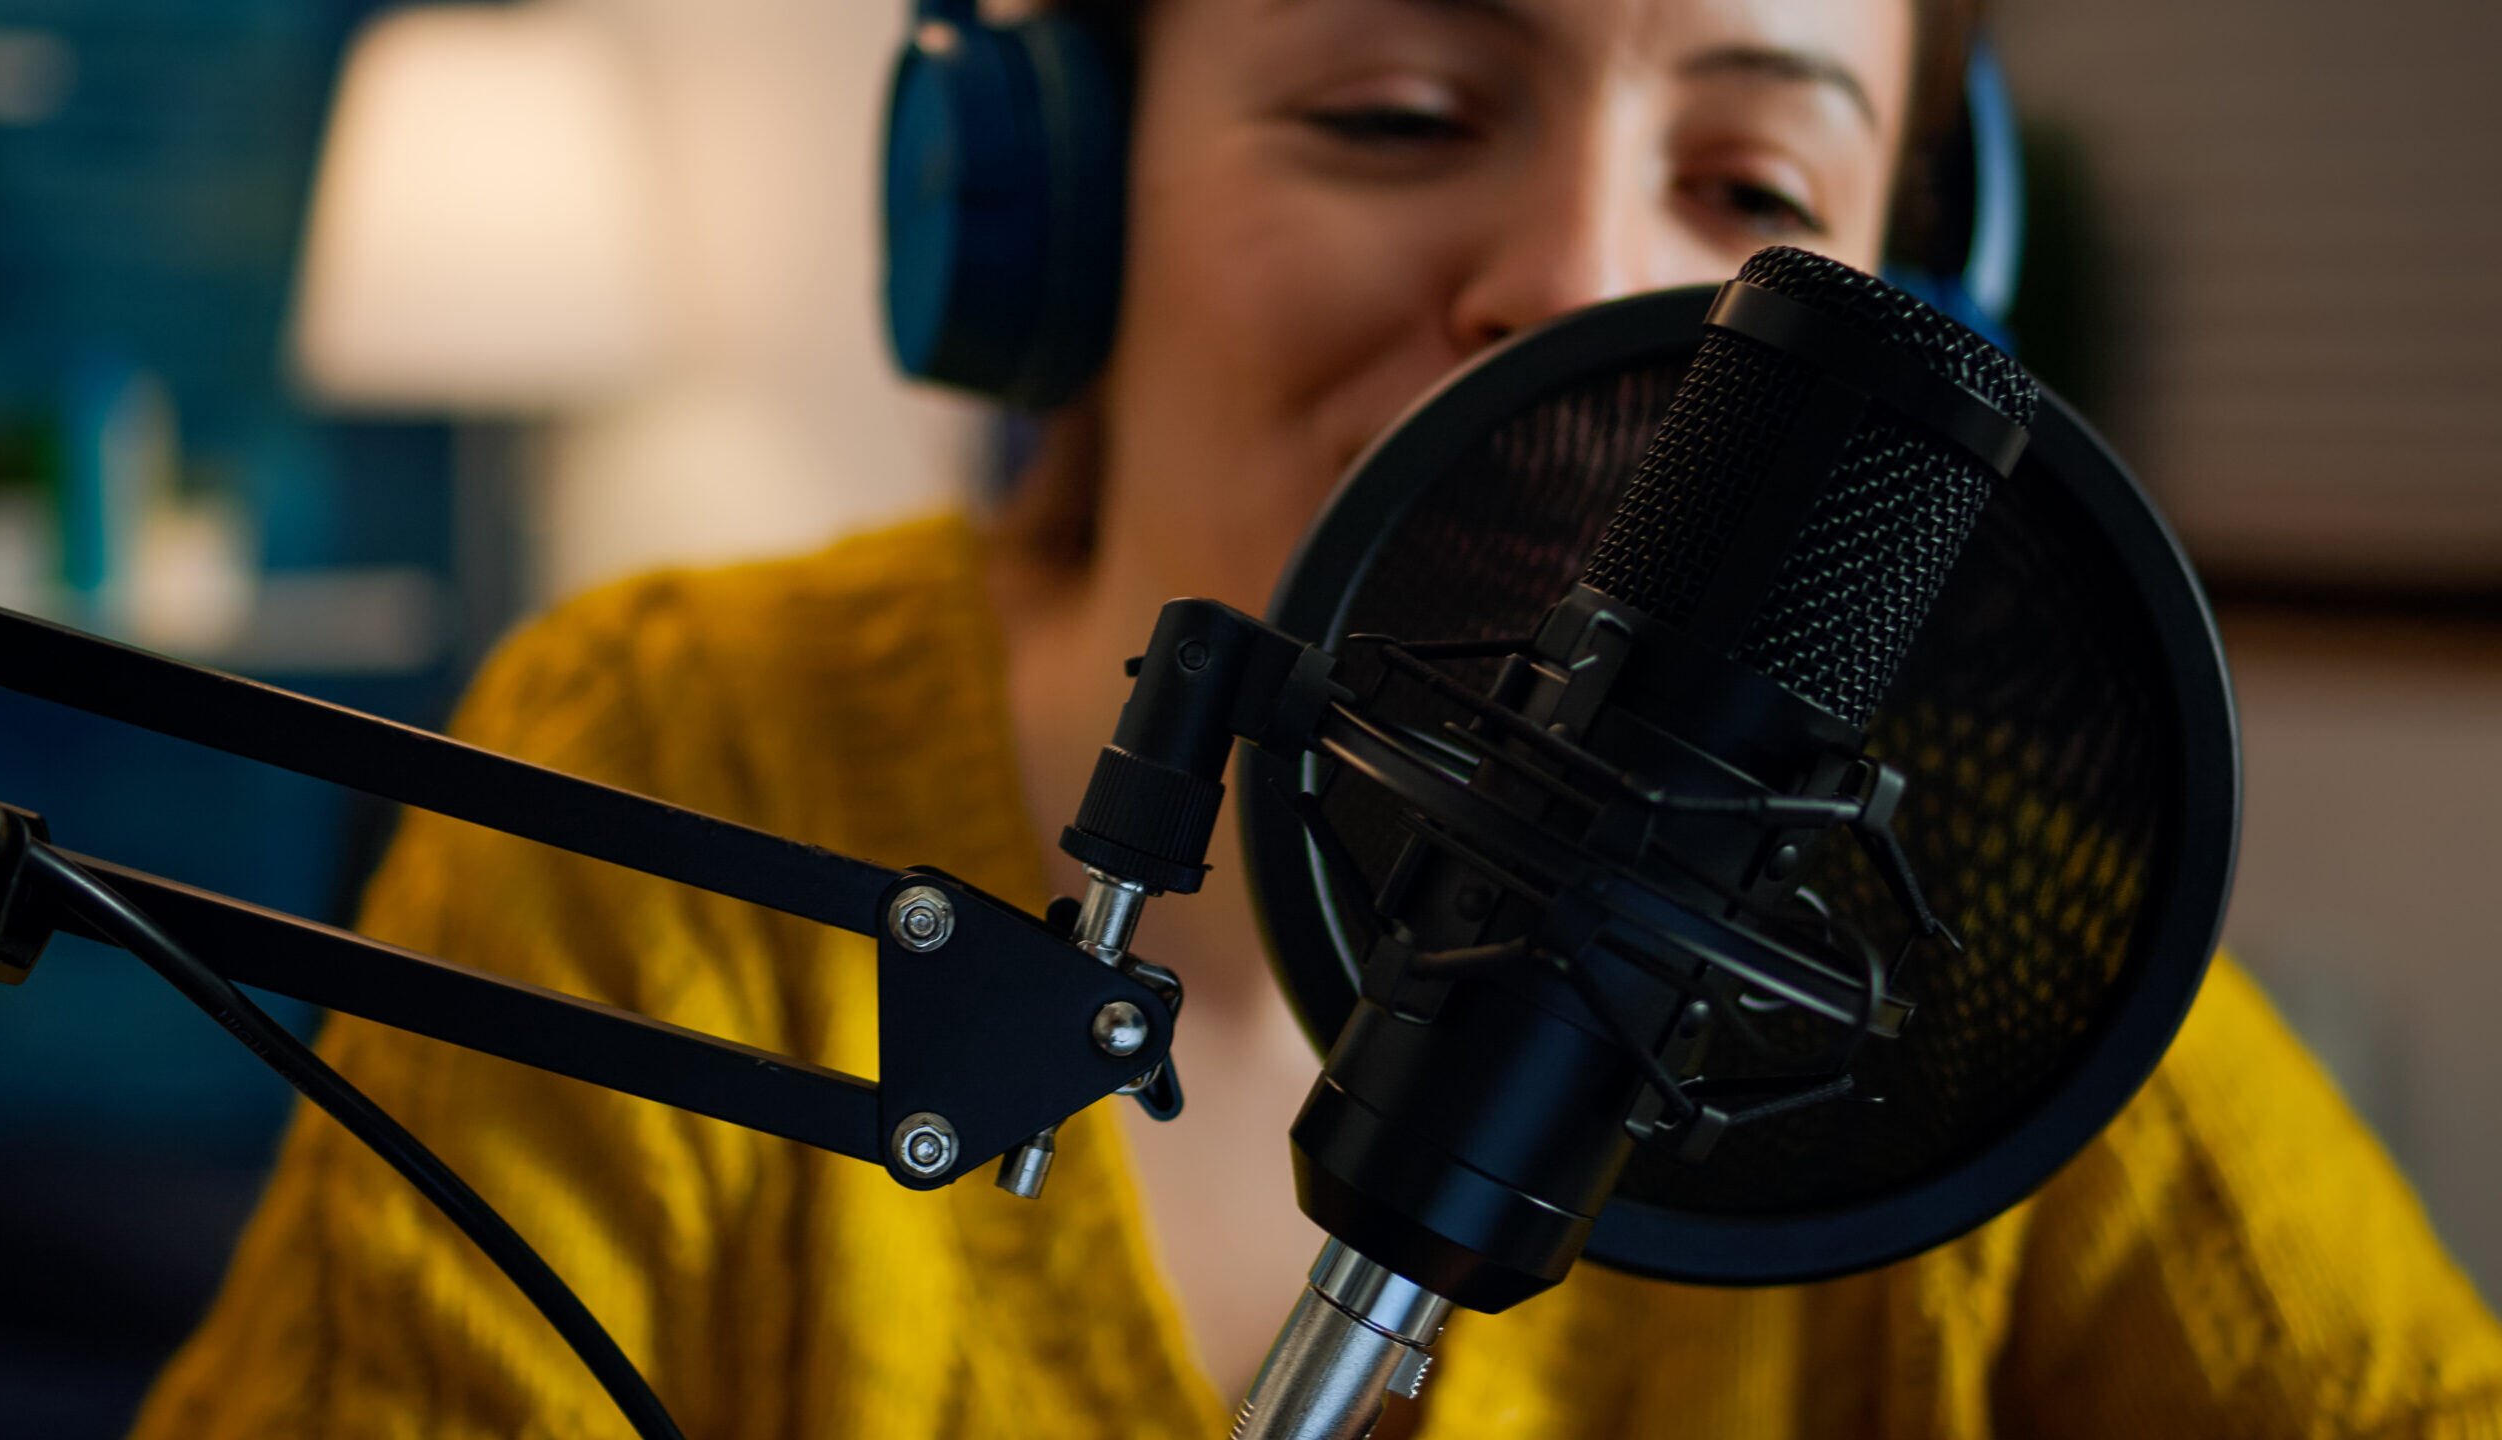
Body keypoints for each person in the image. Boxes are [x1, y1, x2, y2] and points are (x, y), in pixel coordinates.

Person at [133, 0, 2502, 1435]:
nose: (1589, 287)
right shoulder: (670, 751)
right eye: (1387, 110)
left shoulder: (1954, 966)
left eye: (1755, 181)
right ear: (1045, 212)